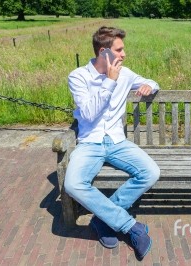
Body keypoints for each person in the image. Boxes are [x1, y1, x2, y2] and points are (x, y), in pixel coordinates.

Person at [64, 26, 160, 260]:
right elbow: (87, 114)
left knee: (151, 172)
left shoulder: (125, 74)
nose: (124, 54)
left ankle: (103, 220)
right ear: (104, 52)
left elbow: (152, 82)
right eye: (119, 50)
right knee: (73, 185)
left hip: (117, 142)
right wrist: (108, 82)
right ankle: (130, 227)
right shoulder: (78, 76)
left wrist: (149, 86)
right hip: (90, 143)